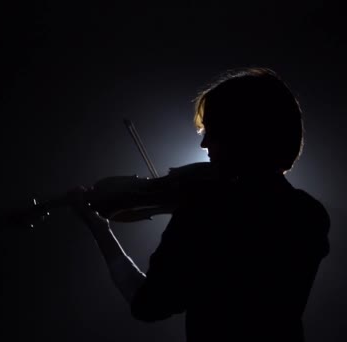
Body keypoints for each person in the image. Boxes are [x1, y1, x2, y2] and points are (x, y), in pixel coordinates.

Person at [70, 67, 331, 341]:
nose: (205, 143)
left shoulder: (207, 209)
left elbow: (147, 305)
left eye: (213, 131)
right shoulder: (309, 214)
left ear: (242, 135)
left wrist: (101, 231)